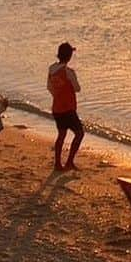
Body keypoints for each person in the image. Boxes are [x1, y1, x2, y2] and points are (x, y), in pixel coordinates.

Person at [47, 42, 84, 171]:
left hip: (57, 107)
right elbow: (77, 88)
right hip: (68, 108)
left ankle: (58, 163)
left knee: (61, 134)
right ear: (69, 57)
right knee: (79, 133)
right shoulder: (68, 72)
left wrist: (58, 95)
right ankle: (69, 162)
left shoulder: (51, 69)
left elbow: (49, 87)